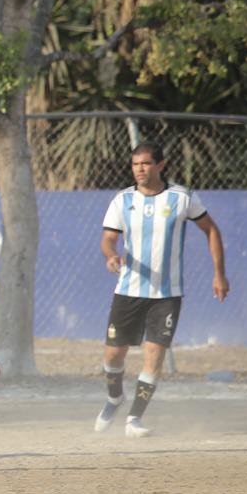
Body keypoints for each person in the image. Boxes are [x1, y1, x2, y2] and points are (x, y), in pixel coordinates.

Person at [95, 141, 227, 437]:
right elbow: (107, 239)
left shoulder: (182, 197)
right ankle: (115, 397)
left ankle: (134, 420)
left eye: (145, 163)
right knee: (113, 357)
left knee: (154, 354)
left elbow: (211, 229)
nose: (140, 169)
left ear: (160, 165)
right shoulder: (123, 200)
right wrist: (111, 255)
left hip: (167, 295)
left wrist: (219, 274)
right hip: (128, 290)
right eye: (135, 164)